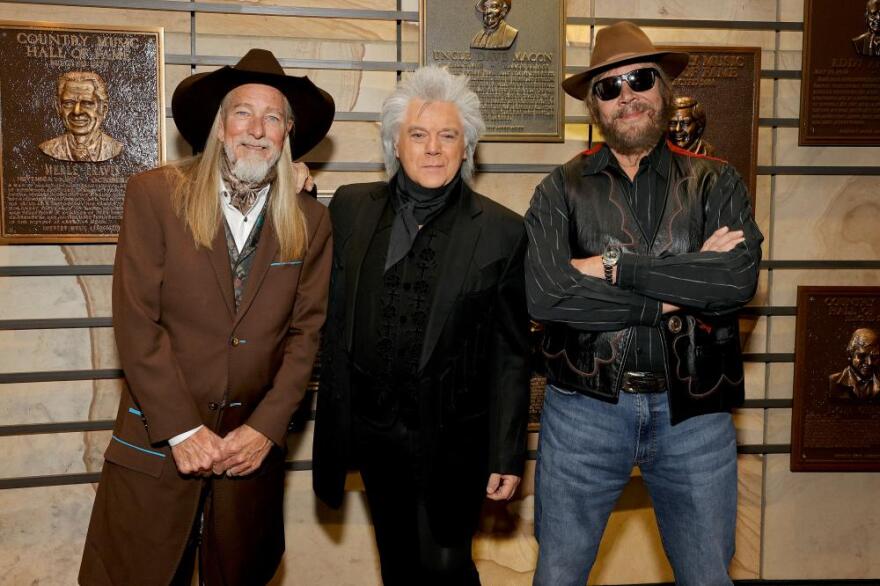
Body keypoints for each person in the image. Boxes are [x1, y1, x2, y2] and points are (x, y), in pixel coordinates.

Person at [78, 49, 335, 585]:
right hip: (155, 446)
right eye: (243, 112)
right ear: (219, 126)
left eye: (273, 118)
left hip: (249, 462)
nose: (257, 130)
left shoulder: (311, 220)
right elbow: (136, 321)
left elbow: (306, 336)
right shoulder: (154, 196)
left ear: (288, 133)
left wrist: (264, 431)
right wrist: (181, 429)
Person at [525, 21, 763, 586]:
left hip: (695, 416)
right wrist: (666, 302)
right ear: (594, 107)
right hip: (582, 412)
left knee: (708, 575)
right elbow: (547, 293)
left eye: (638, 80)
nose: (626, 95)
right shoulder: (558, 189)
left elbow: (734, 281)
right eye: (609, 88)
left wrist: (613, 267)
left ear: (662, 89)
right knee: (557, 575)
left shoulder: (717, 182)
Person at [312, 65, 529, 586]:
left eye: (448, 135)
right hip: (373, 433)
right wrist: (293, 181)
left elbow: (511, 352)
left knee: (445, 564)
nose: (433, 147)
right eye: (418, 134)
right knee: (399, 563)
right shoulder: (349, 208)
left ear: (466, 147)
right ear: (395, 144)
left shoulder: (501, 230)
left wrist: (507, 451)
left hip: (454, 437)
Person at [39, 71, 123, 162]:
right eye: (69, 103)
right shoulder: (50, 148)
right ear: (59, 108)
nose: (77, 111)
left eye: (87, 103)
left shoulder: (114, 148)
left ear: (104, 109)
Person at [829, 328, 880, 400]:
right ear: (850, 355)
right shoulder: (833, 381)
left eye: (874, 357)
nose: (869, 362)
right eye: (862, 356)